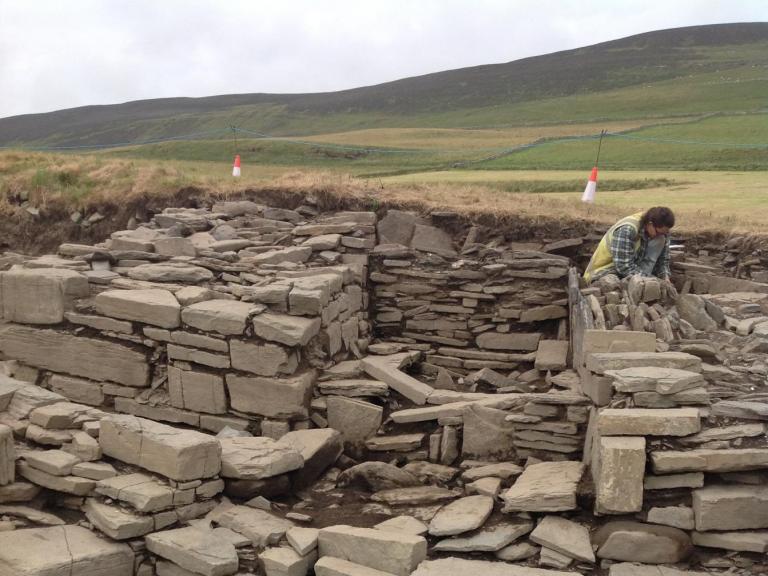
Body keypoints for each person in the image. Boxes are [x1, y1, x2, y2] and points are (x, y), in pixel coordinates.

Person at [583, 206, 677, 297]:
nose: (661, 235)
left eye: (665, 233)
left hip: (633, 267)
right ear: (650, 224)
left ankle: (644, 285)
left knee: (660, 240)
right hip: (606, 269)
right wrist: (654, 280)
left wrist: (665, 277)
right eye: (659, 232)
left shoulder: (662, 231)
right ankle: (643, 284)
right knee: (613, 285)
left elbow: (663, 259)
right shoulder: (627, 229)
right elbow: (624, 267)